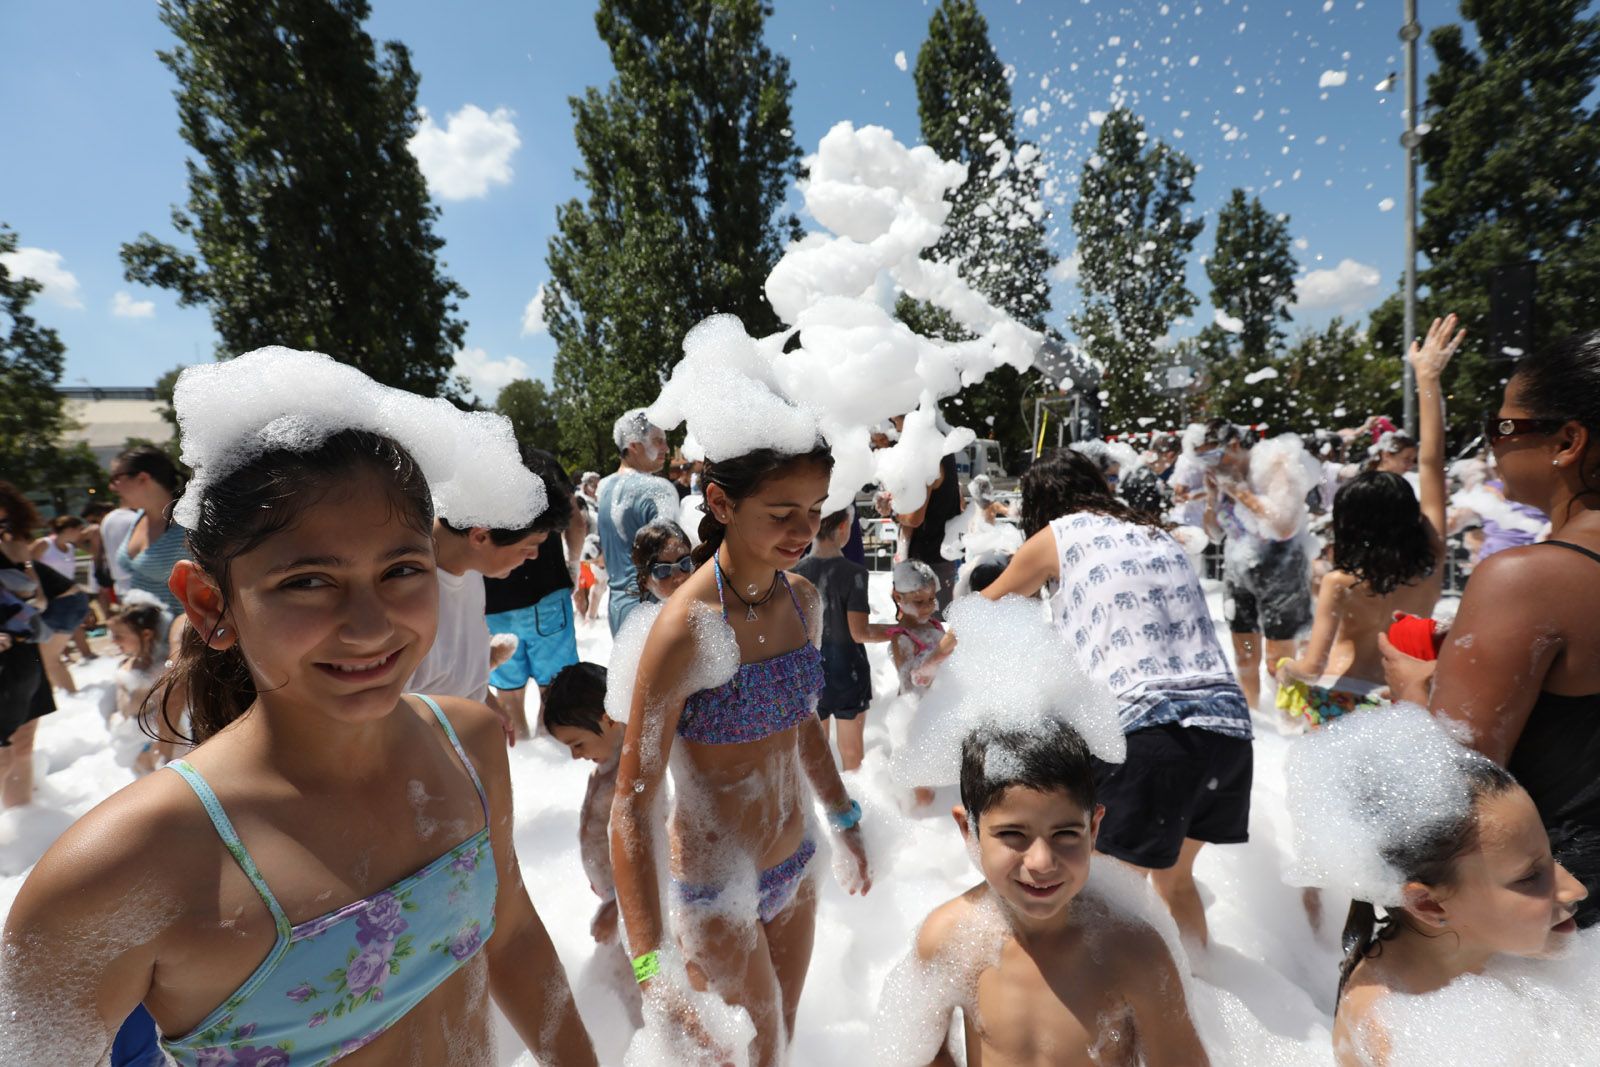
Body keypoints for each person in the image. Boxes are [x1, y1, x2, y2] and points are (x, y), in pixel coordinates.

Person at [0, 425, 597, 1066]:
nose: (371, 628)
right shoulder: (120, 869)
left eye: (401, 569)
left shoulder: (468, 744)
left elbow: (511, 937)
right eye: (307, 581)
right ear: (210, 604)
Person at [610, 442, 871, 1067]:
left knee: (780, 1042)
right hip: (711, 885)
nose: (804, 530)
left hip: (795, 863)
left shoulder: (802, 599)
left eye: (814, 509)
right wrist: (652, 969)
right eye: (782, 512)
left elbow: (803, 724)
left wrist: (845, 820)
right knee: (749, 1059)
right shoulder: (683, 629)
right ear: (721, 503)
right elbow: (632, 802)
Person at [981, 449, 1252, 950]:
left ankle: (1115, 1021)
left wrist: (930, 660)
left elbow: (983, 613)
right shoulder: (1156, 534)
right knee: (1174, 881)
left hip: (1150, 735)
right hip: (1228, 731)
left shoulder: (1055, 537)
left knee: (1099, 904)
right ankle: (1203, 994)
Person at [1381, 330, 1600, 925]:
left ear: (1568, 441)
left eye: (1501, 428)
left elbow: (1455, 792)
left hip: (1546, 913)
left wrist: (1412, 690)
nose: (1491, 444)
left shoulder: (1530, 579)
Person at [886, 718, 1210, 1066]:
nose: (1041, 861)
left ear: (1094, 827)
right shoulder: (949, 940)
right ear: (969, 828)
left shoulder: (1134, 954)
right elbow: (927, 1056)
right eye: (1013, 834)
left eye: (1066, 834)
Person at [1334, 755, 1586, 1065]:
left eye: (1552, 856)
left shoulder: (1487, 946)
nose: (1576, 889)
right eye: (1531, 876)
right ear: (1428, 904)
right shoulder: (1395, 1036)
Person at [1275, 315, 1463, 727]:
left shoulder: (1340, 583)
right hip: (1404, 705)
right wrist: (1428, 379)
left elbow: (1313, 665)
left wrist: (1286, 670)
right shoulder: (1431, 562)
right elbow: (1431, 463)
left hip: (1343, 703)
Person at [409, 460, 567, 712]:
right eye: (529, 547)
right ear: (480, 535)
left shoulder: (469, 567)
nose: (534, 557)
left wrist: (486, 699)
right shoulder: (404, 591)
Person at [541, 662, 639, 1020]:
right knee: (625, 978)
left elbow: (658, 853)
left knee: (647, 975)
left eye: (577, 743)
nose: (574, 755)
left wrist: (621, 908)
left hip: (640, 911)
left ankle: (656, 1037)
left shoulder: (636, 775)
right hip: (622, 904)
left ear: (610, 718)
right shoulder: (611, 761)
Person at [1204, 421, 1315, 712]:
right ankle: (1254, 719)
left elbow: (1284, 525)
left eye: (1212, 457)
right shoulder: (1221, 476)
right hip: (1239, 568)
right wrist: (1212, 498)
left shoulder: (1274, 464)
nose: (1210, 465)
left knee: (1278, 660)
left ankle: (1288, 723)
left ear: (1234, 446)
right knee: (1245, 653)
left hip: (1282, 569)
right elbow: (1214, 534)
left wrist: (1239, 491)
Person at [483, 449, 584, 739]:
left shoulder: (482, 471)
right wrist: (573, 566)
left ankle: (526, 760)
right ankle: (553, 762)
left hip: (492, 603)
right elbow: (575, 521)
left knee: (507, 695)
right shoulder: (543, 463)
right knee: (555, 690)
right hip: (548, 594)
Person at [794, 508, 892, 772]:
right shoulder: (855, 573)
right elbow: (860, 632)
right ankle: (855, 809)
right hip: (849, 675)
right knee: (852, 754)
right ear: (843, 528)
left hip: (812, 675)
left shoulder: (795, 573)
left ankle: (823, 809)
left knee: (816, 756)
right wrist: (898, 630)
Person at [596, 409, 680, 635]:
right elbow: (673, 559)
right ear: (633, 445)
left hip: (618, 608)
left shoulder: (603, 488)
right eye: (657, 441)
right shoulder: (657, 490)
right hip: (650, 609)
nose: (665, 448)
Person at [0, 481, 55, 808]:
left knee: (23, 745)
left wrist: (23, 559)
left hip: (22, 652)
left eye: (5, 522)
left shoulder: (15, 546)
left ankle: (22, 824)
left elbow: (40, 603)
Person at [108, 445, 190, 616]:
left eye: (116, 478)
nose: (112, 487)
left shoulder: (189, 523)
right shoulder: (138, 516)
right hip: (150, 637)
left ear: (143, 478)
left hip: (187, 637)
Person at [104, 595, 177, 775]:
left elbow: (171, 713)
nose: (113, 640)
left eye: (118, 636)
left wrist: (158, 749)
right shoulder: (127, 663)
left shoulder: (160, 670)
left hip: (150, 745)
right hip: (130, 740)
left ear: (146, 634)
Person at [895, 436, 964, 616]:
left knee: (925, 626)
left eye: (897, 421)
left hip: (928, 561)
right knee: (934, 624)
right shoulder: (946, 454)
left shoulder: (928, 461)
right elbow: (960, 503)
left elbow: (913, 518)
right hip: (941, 558)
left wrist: (895, 510)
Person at [889, 559, 953, 696]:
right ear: (898, 597)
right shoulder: (902, 638)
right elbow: (908, 688)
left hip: (939, 698)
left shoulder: (935, 625)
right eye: (919, 601)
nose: (928, 606)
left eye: (931, 599)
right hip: (919, 704)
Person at [631, 520, 694, 605]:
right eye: (664, 570)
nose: (680, 578)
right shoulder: (651, 618)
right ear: (644, 581)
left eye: (685, 563)